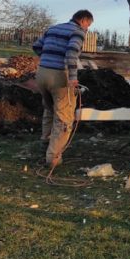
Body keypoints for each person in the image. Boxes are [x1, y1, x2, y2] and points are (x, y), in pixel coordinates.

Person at [32, 9, 94, 168]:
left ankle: (45, 145)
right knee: (64, 118)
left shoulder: (53, 28)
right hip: (59, 76)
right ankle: (53, 158)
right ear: (83, 20)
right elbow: (71, 54)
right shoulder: (78, 32)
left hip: (42, 73)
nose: (87, 29)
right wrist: (72, 77)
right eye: (88, 25)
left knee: (49, 110)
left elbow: (36, 46)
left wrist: (48, 58)